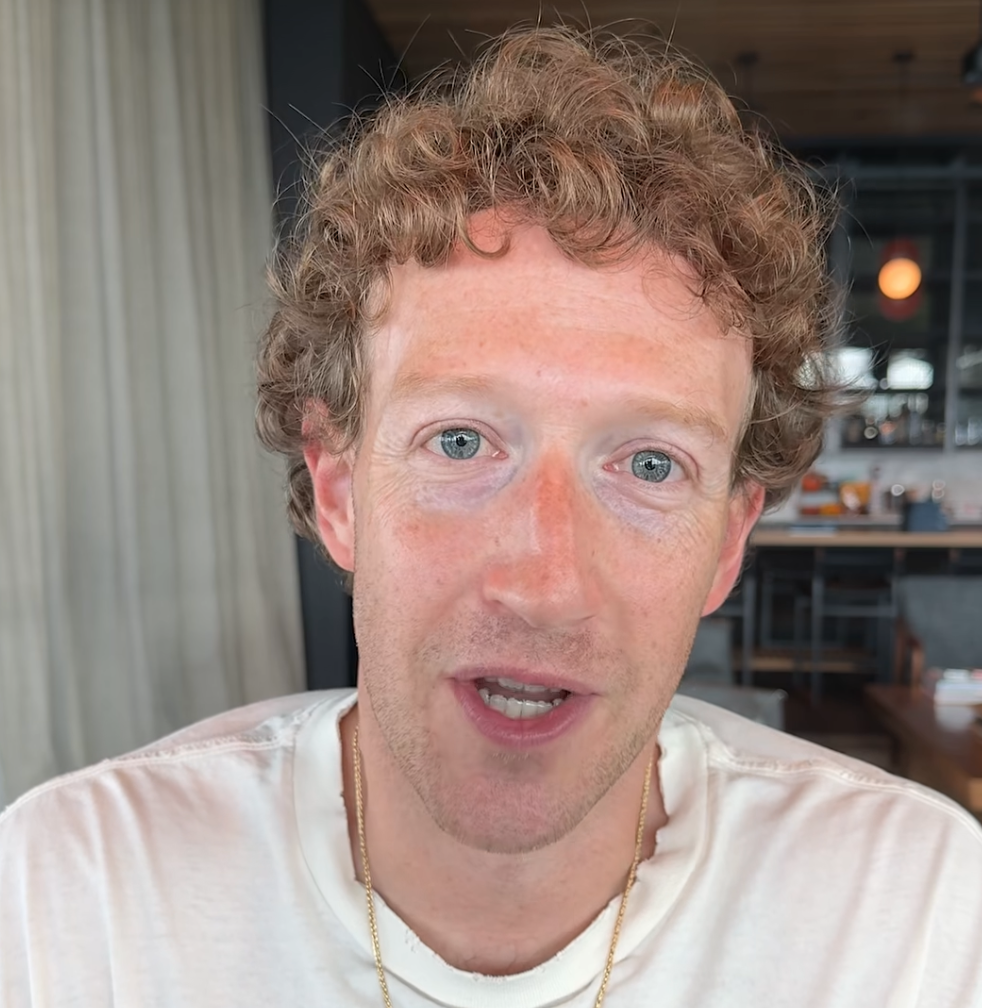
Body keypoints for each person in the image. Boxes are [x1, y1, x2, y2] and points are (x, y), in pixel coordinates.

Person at [2, 25, 981, 1008]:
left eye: (650, 465)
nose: (543, 586)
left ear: (727, 543)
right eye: (461, 442)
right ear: (338, 490)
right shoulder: (76, 895)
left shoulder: (911, 917)